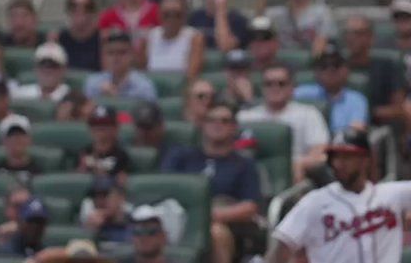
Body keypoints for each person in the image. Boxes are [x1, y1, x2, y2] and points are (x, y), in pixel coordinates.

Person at [269, 126, 411, 263]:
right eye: (336, 158)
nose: (339, 164)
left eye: (347, 157)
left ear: (365, 160)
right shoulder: (315, 202)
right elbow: (280, 248)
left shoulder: (390, 194)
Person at [162, 98, 262, 263]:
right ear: (203, 124)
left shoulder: (244, 164)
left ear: (234, 128)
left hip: (225, 225)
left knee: (215, 232)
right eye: (212, 120)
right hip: (180, 218)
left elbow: (250, 207)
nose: (218, 124)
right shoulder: (183, 157)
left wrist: (208, 215)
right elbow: (166, 189)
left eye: (225, 121)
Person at [238, 63, 329, 182]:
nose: (275, 88)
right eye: (269, 84)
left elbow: (320, 149)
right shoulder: (245, 117)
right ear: (262, 88)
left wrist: (300, 164)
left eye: (281, 83)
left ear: (292, 87)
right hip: (253, 176)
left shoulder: (308, 113)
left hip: (297, 175)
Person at [343, 15, 411, 128]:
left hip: (378, 130)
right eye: (348, 33)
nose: (352, 38)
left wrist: (364, 112)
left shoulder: (388, 66)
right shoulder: (337, 66)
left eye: (358, 33)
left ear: (371, 38)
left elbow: (398, 109)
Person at [293, 46, 370, 133]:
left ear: (347, 70)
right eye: (324, 65)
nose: (330, 69)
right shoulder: (302, 93)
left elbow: (356, 129)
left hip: (340, 143)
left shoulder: (357, 100)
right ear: (316, 72)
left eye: (336, 64)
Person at [85, 30, 158, 101]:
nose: (116, 57)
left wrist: (117, 99)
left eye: (122, 52)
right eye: (111, 53)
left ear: (132, 55)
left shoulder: (143, 87)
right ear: (103, 56)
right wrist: (101, 96)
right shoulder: (93, 83)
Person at [143, 0, 205, 77]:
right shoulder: (151, 36)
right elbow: (143, 73)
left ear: (185, 16)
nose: (171, 19)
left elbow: (192, 75)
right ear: (159, 15)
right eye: (166, 14)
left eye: (177, 15)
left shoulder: (194, 37)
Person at [78, 105, 134, 179]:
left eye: (105, 124)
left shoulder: (122, 156)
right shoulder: (85, 152)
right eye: (95, 124)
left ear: (116, 128)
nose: (99, 128)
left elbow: (122, 181)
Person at [0, 114, 44, 188]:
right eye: (11, 135)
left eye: (21, 134)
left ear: (29, 140)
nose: (17, 139)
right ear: (4, 141)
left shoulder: (38, 172)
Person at [59, 0, 102, 71]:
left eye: (87, 7)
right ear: (68, 10)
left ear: (94, 11)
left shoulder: (102, 40)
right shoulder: (60, 39)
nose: (80, 10)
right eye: (74, 6)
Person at [132, 101, 177, 165]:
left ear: (161, 127)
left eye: (148, 127)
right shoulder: (125, 155)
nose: (143, 133)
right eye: (140, 127)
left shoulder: (174, 156)